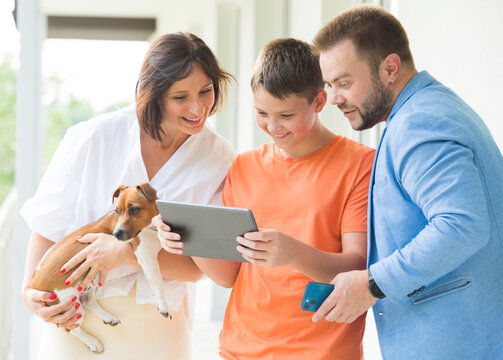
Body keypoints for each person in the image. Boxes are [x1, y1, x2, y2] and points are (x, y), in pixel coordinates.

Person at [154, 38, 375, 359]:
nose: (272, 127)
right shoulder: (244, 166)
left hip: (322, 352)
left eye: (286, 115)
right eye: (261, 113)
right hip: (240, 349)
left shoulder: (360, 165)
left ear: (319, 101)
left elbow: (357, 269)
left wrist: (292, 252)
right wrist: (190, 240)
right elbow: (228, 276)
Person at [20, 32, 236, 360]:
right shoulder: (93, 138)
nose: (197, 108)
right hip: (77, 320)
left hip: (157, 327)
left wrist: (123, 253)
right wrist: (29, 292)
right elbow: (46, 227)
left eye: (205, 91)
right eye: (180, 97)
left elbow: (196, 268)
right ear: (154, 95)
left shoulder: (220, 160)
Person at [311, 5, 503, 359]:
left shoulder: (419, 122)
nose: (334, 98)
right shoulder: (425, 109)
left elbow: (463, 224)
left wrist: (373, 283)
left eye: (344, 82)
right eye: (329, 84)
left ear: (390, 68)